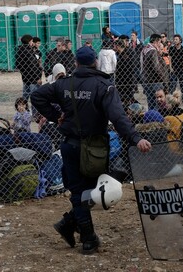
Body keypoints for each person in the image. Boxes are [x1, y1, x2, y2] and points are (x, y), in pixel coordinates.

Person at [31, 45, 152, 254]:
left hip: (69, 145)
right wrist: (135, 138)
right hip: (94, 148)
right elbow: (118, 117)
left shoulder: (63, 84)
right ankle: (87, 238)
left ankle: (69, 224)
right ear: (95, 62)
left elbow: (36, 96)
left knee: (81, 191)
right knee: (96, 188)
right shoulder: (103, 85)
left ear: (76, 63)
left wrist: (54, 117)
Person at [141, 34, 168, 111]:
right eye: (160, 42)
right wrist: (164, 80)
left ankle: (151, 119)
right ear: (156, 41)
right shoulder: (152, 51)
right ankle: (157, 119)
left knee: (151, 102)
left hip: (147, 80)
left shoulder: (145, 49)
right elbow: (157, 68)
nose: (160, 44)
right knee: (158, 103)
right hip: (155, 80)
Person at [15, 34, 43, 103]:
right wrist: (37, 77)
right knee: (35, 96)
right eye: (31, 41)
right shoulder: (29, 52)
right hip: (33, 78)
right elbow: (32, 66)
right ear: (29, 42)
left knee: (25, 95)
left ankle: (24, 110)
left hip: (25, 77)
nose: (32, 43)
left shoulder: (19, 51)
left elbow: (18, 64)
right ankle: (35, 112)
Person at [113, 39, 136, 105]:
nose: (114, 48)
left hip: (127, 81)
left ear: (118, 46)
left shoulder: (126, 55)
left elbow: (129, 69)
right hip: (121, 81)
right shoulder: (119, 54)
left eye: (115, 46)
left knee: (127, 99)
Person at [168, 34, 183, 103]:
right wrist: (170, 67)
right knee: (173, 84)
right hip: (174, 68)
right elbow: (170, 58)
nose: (175, 41)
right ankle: (172, 98)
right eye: (174, 39)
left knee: (182, 84)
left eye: (176, 39)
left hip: (181, 69)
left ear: (180, 40)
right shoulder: (171, 48)